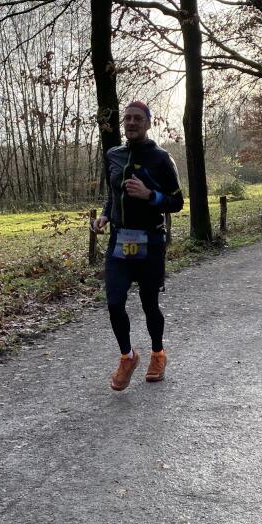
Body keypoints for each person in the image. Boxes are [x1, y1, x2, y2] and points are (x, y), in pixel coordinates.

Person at [92, 101, 184, 391]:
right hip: (120, 241)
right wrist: (105, 216)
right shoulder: (113, 155)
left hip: (150, 241)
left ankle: (158, 354)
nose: (131, 123)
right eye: (127, 118)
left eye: (137, 118)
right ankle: (128, 357)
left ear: (147, 123)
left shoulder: (161, 158)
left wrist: (150, 195)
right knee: (114, 302)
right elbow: (112, 194)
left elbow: (177, 201)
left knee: (149, 303)